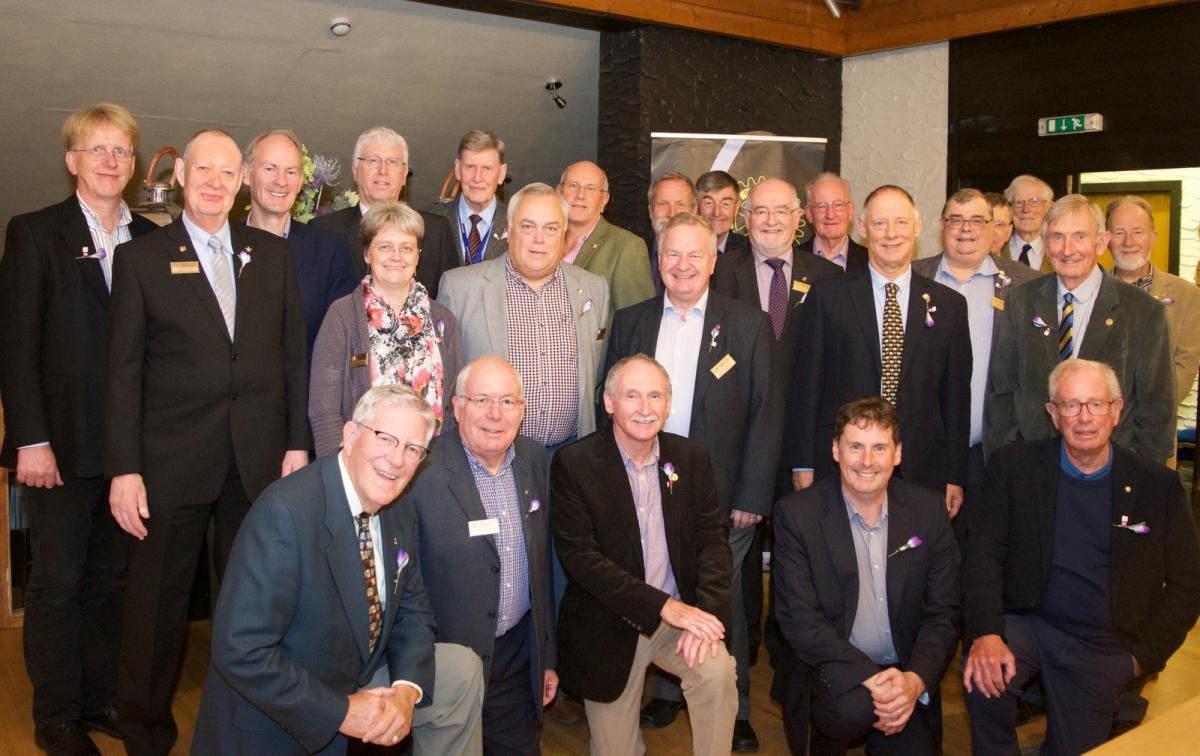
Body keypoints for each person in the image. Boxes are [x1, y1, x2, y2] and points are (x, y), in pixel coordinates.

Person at [104, 128, 311, 755]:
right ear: (181, 178)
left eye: (227, 173)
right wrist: (124, 468)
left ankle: (241, 728)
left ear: (242, 181)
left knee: (249, 607)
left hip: (255, 462)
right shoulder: (140, 257)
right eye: (204, 172)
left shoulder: (269, 255)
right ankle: (144, 733)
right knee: (156, 611)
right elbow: (122, 371)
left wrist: (296, 444)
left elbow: (291, 356)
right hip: (167, 467)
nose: (216, 183)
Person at [192, 385, 485, 755]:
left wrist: (406, 693)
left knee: (460, 670)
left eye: (412, 449)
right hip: (283, 704)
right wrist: (342, 711)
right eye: (386, 438)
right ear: (350, 435)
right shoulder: (285, 513)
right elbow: (240, 650)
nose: (396, 460)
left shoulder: (399, 509)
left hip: (360, 668)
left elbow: (413, 612)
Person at [0, 102, 157, 756]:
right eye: (97, 150)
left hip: (130, 451)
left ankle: (100, 701)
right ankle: (57, 715)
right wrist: (30, 437)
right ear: (72, 162)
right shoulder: (36, 232)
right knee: (58, 581)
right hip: (57, 448)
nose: (111, 161)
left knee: (112, 581)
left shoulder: (153, 239)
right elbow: (16, 345)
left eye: (121, 150)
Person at [604, 213, 779, 750]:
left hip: (721, 490)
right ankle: (665, 691)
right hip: (640, 482)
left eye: (694, 255)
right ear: (659, 261)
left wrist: (752, 493)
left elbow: (766, 412)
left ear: (713, 261)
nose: (682, 265)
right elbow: (605, 400)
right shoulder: (632, 320)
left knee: (716, 588)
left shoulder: (747, 324)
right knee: (654, 580)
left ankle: (738, 704)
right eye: (671, 255)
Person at [963, 359, 1200, 755]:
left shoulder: (1156, 487)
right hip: (1029, 624)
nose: (1084, 417)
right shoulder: (1014, 467)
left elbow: (1189, 583)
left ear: (1116, 411)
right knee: (982, 679)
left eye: (1095, 404)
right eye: (1070, 405)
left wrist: (1141, 659)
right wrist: (986, 633)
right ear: (1053, 414)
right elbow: (983, 554)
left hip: (1103, 644)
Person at [552, 355, 737, 756]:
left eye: (655, 396)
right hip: (609, 623)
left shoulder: (691, 459)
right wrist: (665, 607)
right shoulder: (575, 464)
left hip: (677, 623)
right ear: (608, 402)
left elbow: (713, 544)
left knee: (718, 672)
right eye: (632, 395)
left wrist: (705, 614)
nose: (645, 407)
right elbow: (582, 559)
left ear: (668, 405)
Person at [773, 396, 960, 755]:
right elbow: (799, 621)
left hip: (905, 668)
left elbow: (944, 612)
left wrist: (913, 681)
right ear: (835, 450)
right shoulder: (798, 515)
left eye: (879, 448)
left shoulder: (928, 510)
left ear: (898, 454)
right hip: (835, 670)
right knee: (853, 710)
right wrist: (874, 680)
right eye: (855, 446)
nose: (868, 461)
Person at [787, 185, 972, 519]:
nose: (891, 234)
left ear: (917, 228)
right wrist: (802, 461)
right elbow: (805, 386)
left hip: (922, 467)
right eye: (880, 224)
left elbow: (956, 398)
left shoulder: (949, 306)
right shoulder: (828, 297)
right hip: (844, 465)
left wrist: (955, 474)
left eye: (901, 223)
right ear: (862, 227)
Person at [406, 356, 556, 754]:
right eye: (481, 400)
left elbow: (544, 571)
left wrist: (547, 656)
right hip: (448, 663)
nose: (495, 414)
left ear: (522, 411)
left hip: (517, 658)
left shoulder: (536, 461)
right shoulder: (422, 471)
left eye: (508, 402)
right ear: (456, 407)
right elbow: (407, 583)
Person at [985, 194, 1176, 466]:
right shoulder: (1021, 301)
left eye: (1079, 237)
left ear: (1101, 243)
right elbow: (1002, 390)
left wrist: (1139, 476)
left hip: (1112, 468)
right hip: (1033, 465)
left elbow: (1157, 409)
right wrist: (1004, 460)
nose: (1068, 249)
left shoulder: (1143, 312)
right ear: (1046, 245)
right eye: (1057, 237)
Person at [438, 182, 610, 448]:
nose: (539, 239)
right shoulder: (460, 289)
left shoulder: (594, 289)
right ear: (509, 230)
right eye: (528, 227)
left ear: (564, 234)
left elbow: (596, 372)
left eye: (551, 228)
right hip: (492, 454)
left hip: (571, 455)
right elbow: (446, 383)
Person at [912, 188, 1036, 537]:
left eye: (977, 221)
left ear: (993, 227)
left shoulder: (1026, 285)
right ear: (941, 225)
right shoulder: (912, 276)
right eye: (956, 219)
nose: (966, 229)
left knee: (986, 564)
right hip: (926, 454)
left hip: (995, 452)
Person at [309, 201, 463, 456]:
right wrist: (339, 471)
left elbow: (454, 403)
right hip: (363, 466)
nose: (396, 257)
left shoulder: (442, 319)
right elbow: (323, 408)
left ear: (418, 255)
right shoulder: (343, 315)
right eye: (385, 247)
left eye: (406, 248)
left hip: (431, 466)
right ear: (367, 254)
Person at [243, 129, 358, 355]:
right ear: (246, 175)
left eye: (291, 172)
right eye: (270, 168)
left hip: (305, 388)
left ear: (300, 184)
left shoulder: (330, 251)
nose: (281, 181)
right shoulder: (221, 245)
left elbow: (343, 344)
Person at [311, 126, 457, 297]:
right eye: (373, 161)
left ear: (404, 175)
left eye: (392, 162)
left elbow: (450, 302)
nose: (383, 171)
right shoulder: (323, 231)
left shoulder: (435, 231)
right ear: (355, 171)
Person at [1106, 195, 1200, 415]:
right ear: (1106, 239)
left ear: (1153, 237)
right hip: (1093, 429)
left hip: (1153, 432)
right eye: (1119, 233)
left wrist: (1137, 414)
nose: (1128, 242)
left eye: (1138, 232)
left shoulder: (1188, 296)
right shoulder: (1089, 290)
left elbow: (1183, 369)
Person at [557, 160, 654, 311]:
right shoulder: (542, 241)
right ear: (559, 191)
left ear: (604, 200)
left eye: (591, 188)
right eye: (573, 185)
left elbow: (636, 321)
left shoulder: (627, 247)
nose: (580, 195)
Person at [429, 129, 510, 265]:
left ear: (501, 173)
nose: (477, 178)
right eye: (470, 167)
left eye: (487, 168)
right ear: (458, 169)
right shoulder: (429, 223)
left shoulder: (518, 224)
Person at [796, 172, 868, 275]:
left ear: (850, 211)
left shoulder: (871, 262)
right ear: (809, 214)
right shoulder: (792, 262)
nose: (830, 215)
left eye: (838, 205)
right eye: (821, 206)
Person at [644, 172, 698, 293]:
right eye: (662, 204)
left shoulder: (710, 261)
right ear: (650, 211)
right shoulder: (634, 256)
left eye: (680, 204)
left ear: (694, 210)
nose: (671, 214)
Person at [1003, 175, 1055, 272]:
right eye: (1019, 202)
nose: (1026, 209)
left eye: (1034, 201)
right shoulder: (995, 248)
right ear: (1010, 208)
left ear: (1049, 207)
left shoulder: (1059, 251)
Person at [695, 170, 749, 257]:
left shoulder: (750, 252)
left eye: (725, 204)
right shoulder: (678, 247)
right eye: (709, 203)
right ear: (696, 207)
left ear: (736, 208)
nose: (716, 212)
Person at [984, 192, 1014, 258]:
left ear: (1009, 232)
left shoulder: (1017, 268)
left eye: (999, 224)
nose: (992, 232)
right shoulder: (957, 267)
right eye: (986, 223)